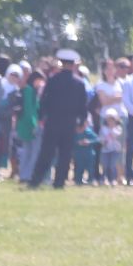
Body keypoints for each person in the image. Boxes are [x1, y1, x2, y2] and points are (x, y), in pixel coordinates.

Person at [29, 50, 89, 188]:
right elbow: (82, 105)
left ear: (61, 63)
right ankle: (59, 182)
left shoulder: (52, 79)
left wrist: (41, 117)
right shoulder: (79, 83)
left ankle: (36, 180)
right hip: (70, 122)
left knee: (46, 152)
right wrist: (82, 120)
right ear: (74, 64)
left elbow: (44, 100)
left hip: (52, 121)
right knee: (65, 153)